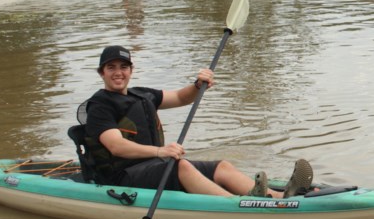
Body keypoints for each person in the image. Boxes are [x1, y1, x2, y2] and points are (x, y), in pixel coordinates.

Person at [83, 45, 313, 197]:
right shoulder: (100, 105)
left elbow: (181, 97)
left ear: (131, 70)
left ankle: (280, 196)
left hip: (154, 165)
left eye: (123, 67)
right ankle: (239, 204)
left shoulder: (142, 95)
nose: (118, 73)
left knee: (221, 167)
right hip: (124, 176)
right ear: (101, 73)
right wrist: (160, 151)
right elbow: (116, 145)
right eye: (111, 68)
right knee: (181, 165)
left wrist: (197, 85)